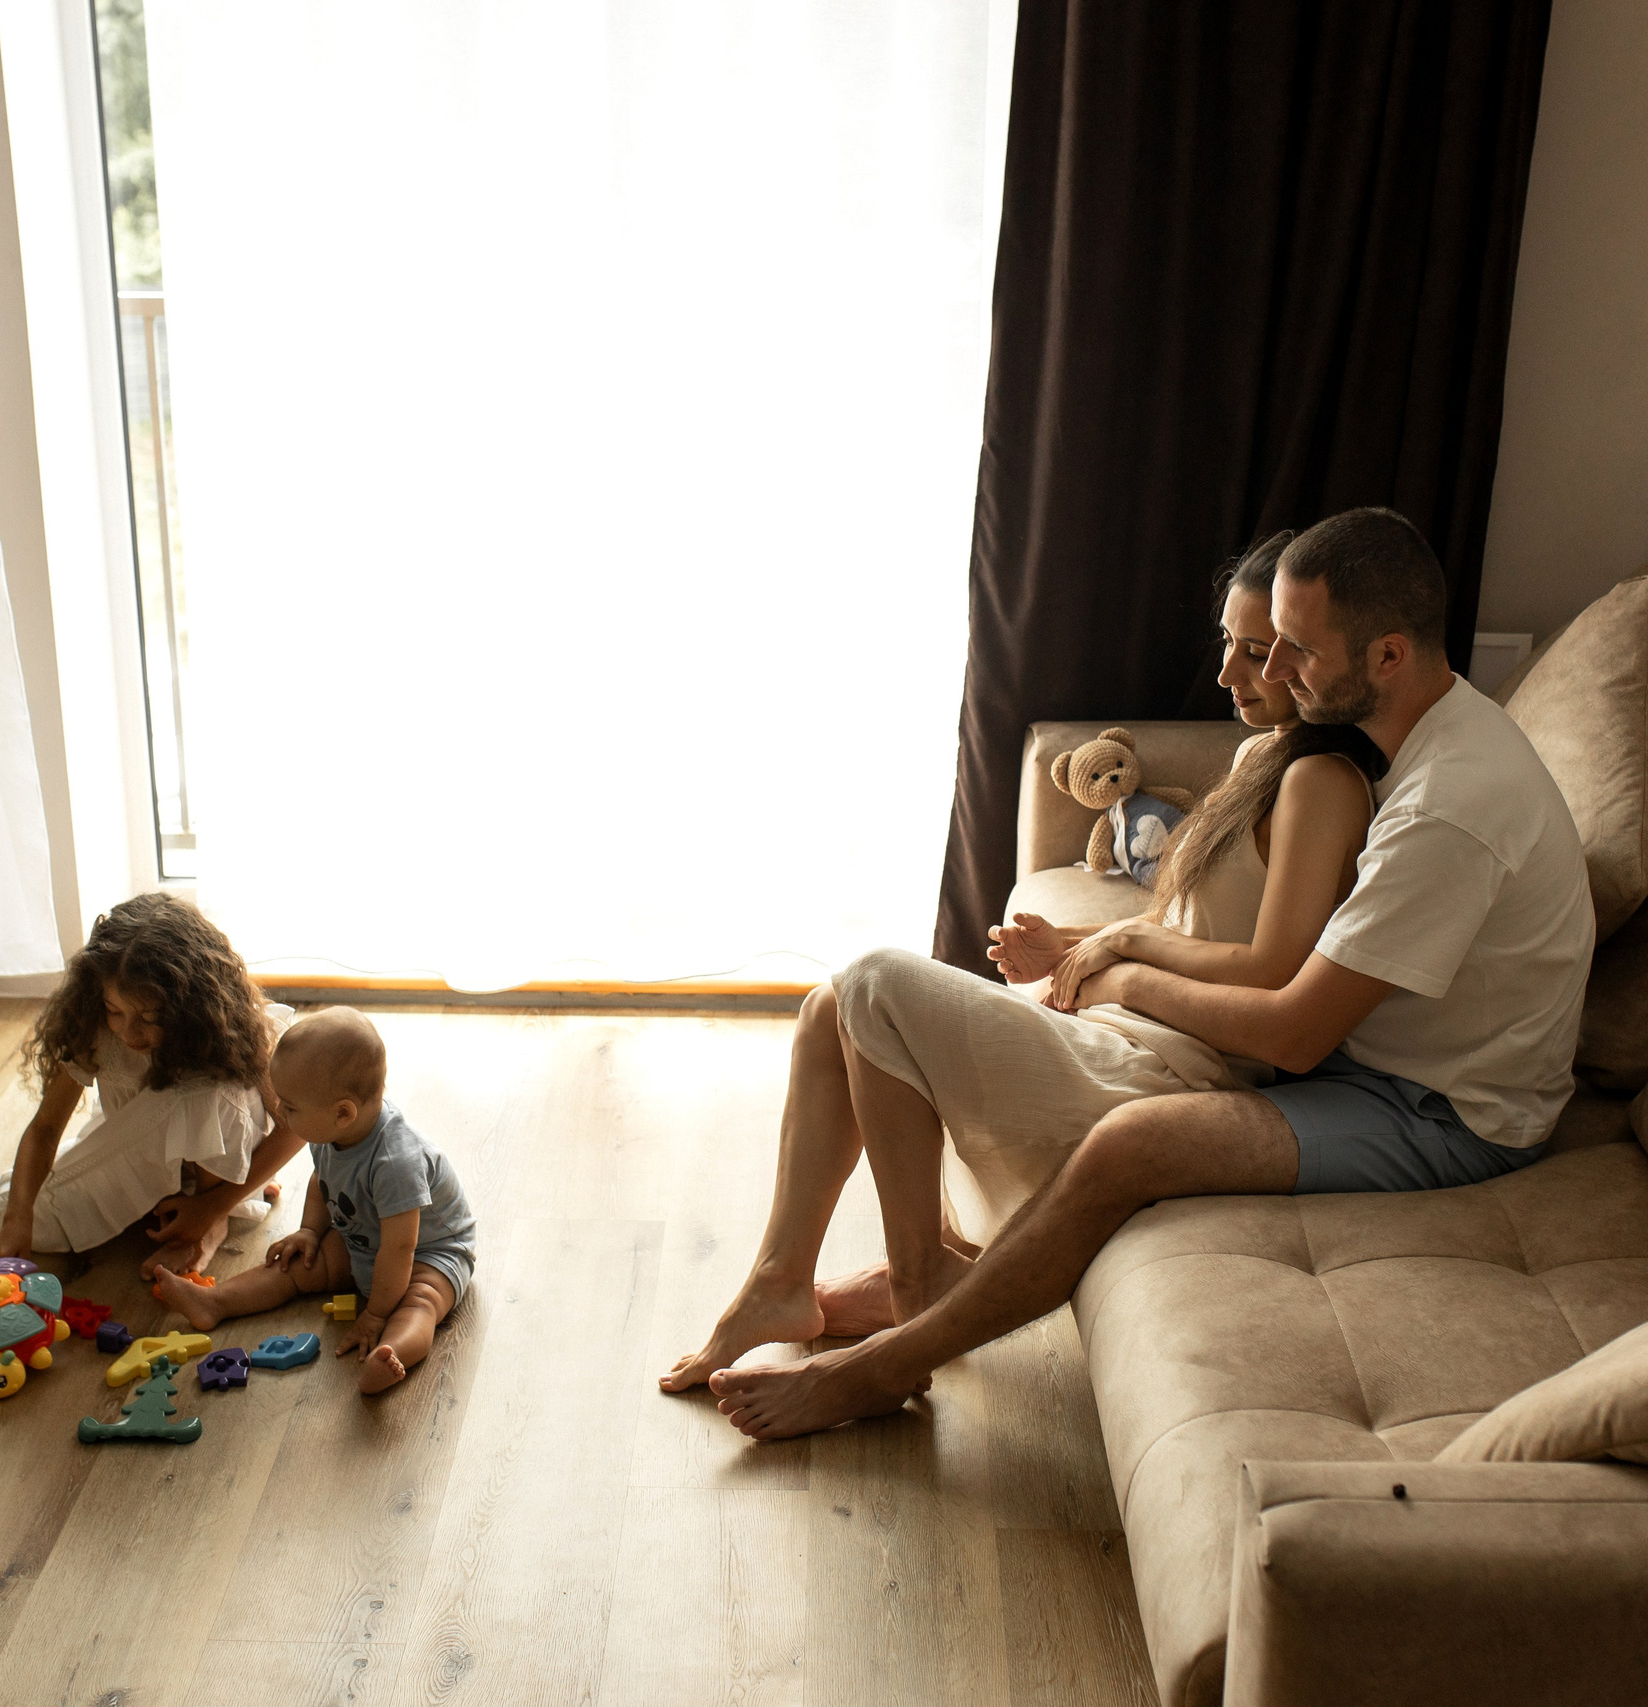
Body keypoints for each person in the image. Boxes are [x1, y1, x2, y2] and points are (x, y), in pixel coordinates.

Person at [706, 507, 1597, 1439]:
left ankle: (891, 1357)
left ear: (1387, 656)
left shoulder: (1447, 808)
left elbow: (1294, 1026)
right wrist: (1118, 950)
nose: (1270, 671)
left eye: (1293, 647)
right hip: (1372, 1068)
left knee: (1127, 1143)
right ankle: (871, 1280)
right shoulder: (1407, 746)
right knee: (862, 1013)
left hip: (1444, 1111)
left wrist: (1120, 971)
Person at [662, 532, 1386, 1392]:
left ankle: (920, 1286)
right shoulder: (1259, 757)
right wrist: (1077, 948)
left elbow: (1273, 969)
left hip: (1175, 1075)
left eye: (1259, 653)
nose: (1229, 673)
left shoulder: (1321, 784)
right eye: (1227, 641)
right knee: (829, 1007)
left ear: (1310, 655)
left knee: (872, 982)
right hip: (1124, 1025)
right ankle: (779, 1282)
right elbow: (1185, 923)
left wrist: (1120, 944)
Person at [157, 1008, 477, 1395]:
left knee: (421, 1303)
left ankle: (393, 1353)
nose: (280, 1113)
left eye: (290, 1107)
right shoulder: (330, 1133)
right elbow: (321, 1180)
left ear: (343, 1112)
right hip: (363, 1237)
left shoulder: (397, 1162)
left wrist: (375, 1314)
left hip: (429, 1252)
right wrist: (310, 1230)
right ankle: (214, 1302)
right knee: (295, 1264)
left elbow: (401, 1246)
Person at [0, 893, 295, 1278]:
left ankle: (213, 1220)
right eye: (115, 1011)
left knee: (201, 1091)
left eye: (150, 1016)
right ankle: (183, 1197)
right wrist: (18, 1219)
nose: (129, 1032)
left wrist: (211, 1207)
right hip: (146, 1137)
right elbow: (45, 1129)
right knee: (22, 1214)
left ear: (191, 1005)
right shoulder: (90, 1025)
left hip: (222, 1150)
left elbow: (294, 1129)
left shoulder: (230, 1028)